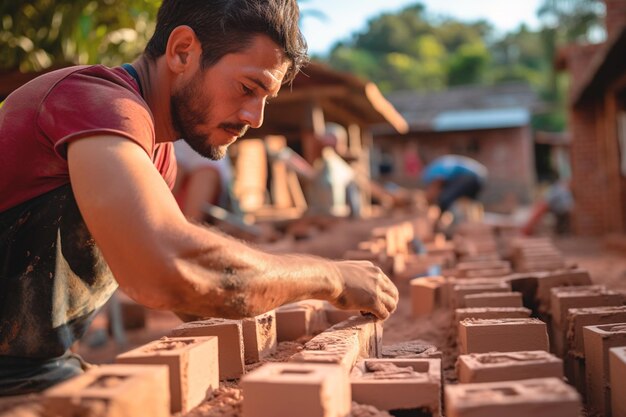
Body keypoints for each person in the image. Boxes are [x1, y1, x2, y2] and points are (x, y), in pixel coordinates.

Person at [0, 0, 398, 394]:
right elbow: (167, 268)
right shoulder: (98, 103)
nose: (255, 118)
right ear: (182, 51)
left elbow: (196, 292)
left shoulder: (159, 153)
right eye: (247, 88)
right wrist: (332, 278)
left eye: (265, 99)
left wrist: (294, 325)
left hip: (36, 371)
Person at [421, 155, 488, 213]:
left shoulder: (429, 173)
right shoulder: (435, 166)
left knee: (445, 199)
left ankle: (443, 219)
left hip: (470, 176)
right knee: (468, 203)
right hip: (480, 177)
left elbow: (436, 184)